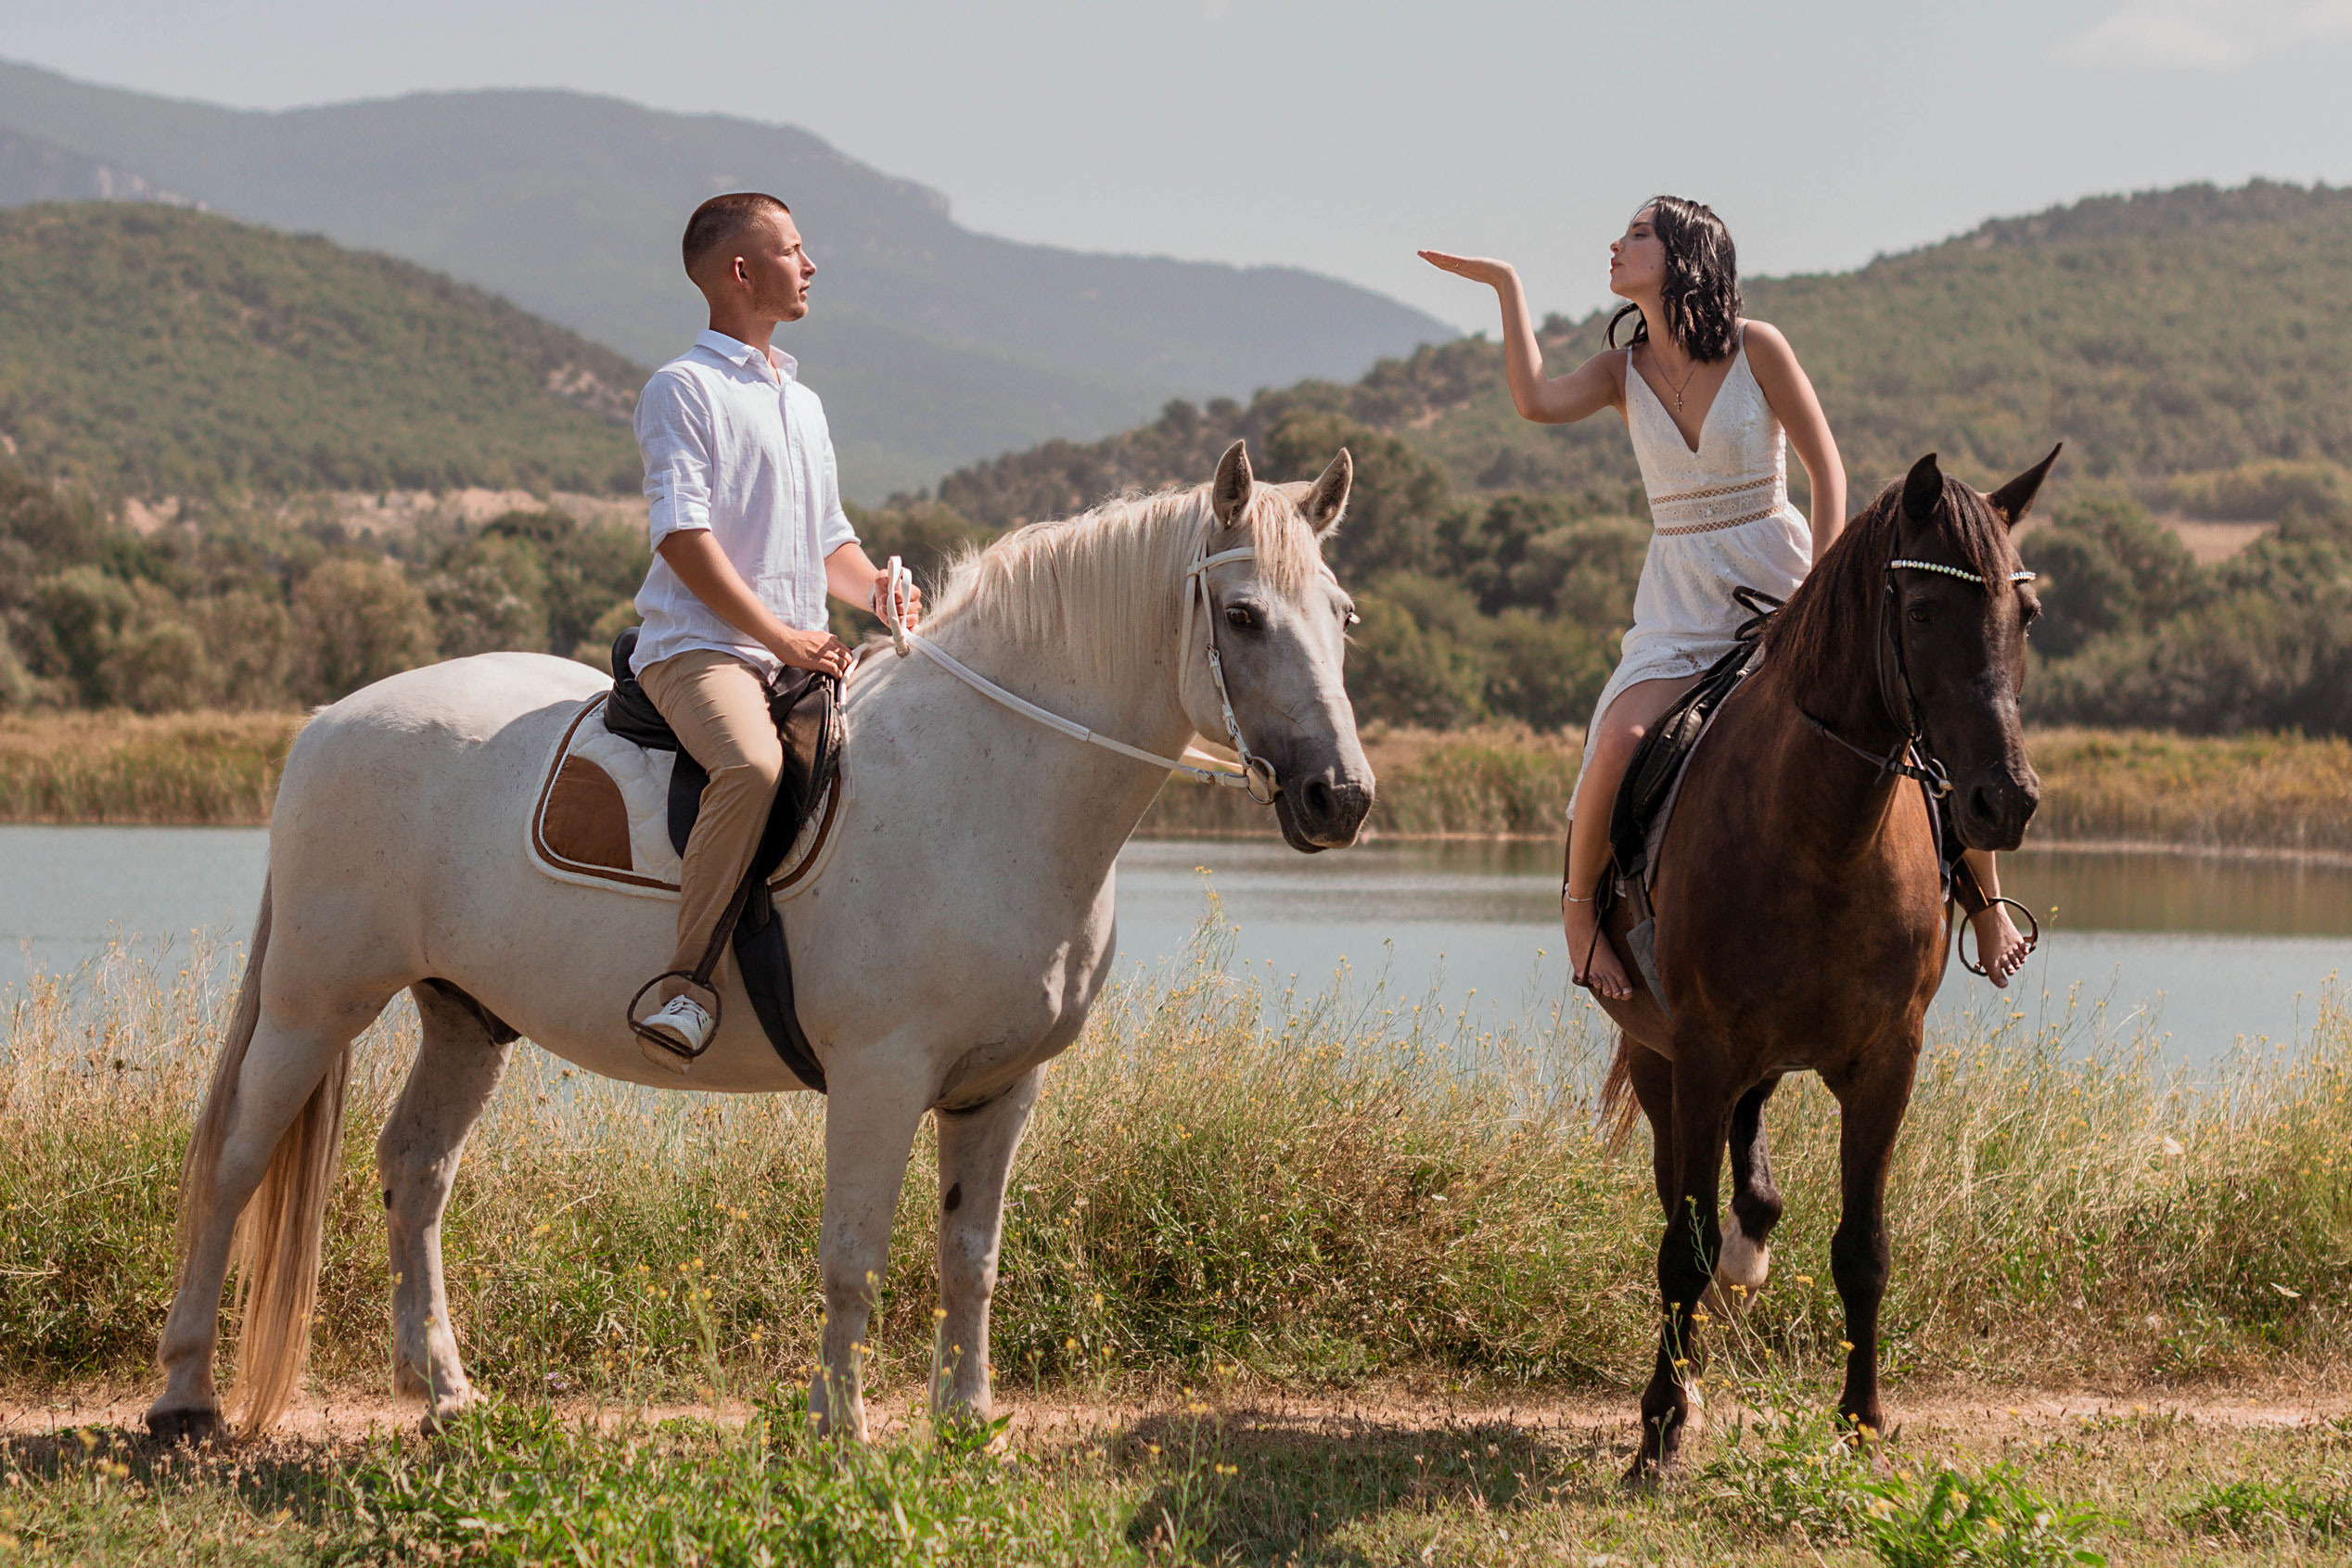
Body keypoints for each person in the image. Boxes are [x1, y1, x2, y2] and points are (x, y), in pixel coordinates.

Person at [1422, 197, 2032, 999]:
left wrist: (1820, 597)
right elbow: (1534, 400)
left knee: (1914, 724)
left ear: (1683, 254)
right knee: (1617, 741)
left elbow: (1827, 470)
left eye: (1637, 234)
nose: (1616, 243)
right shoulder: (1620, 371)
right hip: (1678, 603)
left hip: (1781, 579)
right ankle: (1581, 916)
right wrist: (1506, 285)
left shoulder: (1759, 348)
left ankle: (1985, 907)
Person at [629, 191, 923, 1069]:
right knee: (753, 766)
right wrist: (785, 639)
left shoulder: (804, 401)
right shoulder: (682, 388)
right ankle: (684, 986)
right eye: (795, 250)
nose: (812, 264)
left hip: (798, 652)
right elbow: (683, 538)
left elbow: (827, 538)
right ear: (742, 271)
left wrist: (877, 589)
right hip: (700, 651)